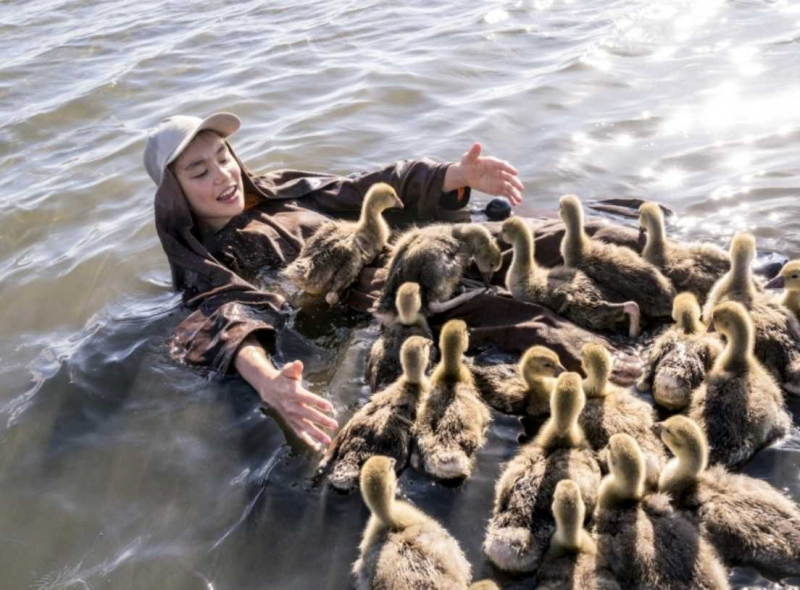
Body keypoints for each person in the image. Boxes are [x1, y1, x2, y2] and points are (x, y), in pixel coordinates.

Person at [144, 112, 524, 451]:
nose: (223, 175)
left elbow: (361, 189)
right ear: (175, 195)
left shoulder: (282, 191)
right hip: (389, 299)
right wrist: (268, 381)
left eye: (224, 157)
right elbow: (222, 318)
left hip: (423, 254)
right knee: (520, 324)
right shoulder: (207, 264)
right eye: (200, 172)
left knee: (536, 240)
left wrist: (453, 175)